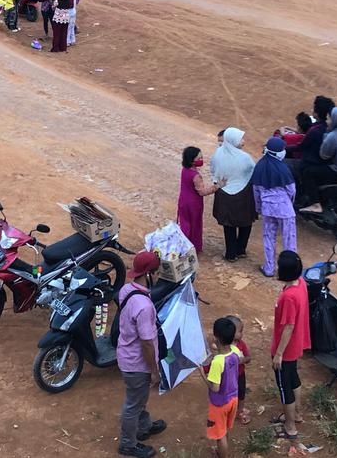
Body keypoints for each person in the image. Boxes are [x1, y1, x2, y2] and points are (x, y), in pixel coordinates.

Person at [116, 251, 167, 458]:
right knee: (133, 404)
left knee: (139, 398)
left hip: (126, 354)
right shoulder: (144, 306)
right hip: (137, 363)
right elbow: (146, 343)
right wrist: (154, 371)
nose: (157, 278)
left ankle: (144, 426)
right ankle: (128, 444)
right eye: (155, 273)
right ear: (148, 274)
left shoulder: (127, 289)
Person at [270, 250, 310, 443]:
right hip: (295, 347)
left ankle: (290, 426)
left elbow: (288, 326)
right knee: (293, 379)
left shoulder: (289, 297)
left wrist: (278, 353)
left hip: (285, 349)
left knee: (284, 386)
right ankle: (297, 414)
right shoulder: (300, 284)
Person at [252, 137, 297, 279]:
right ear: (279, 152)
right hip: (285, 210)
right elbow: (291, 190)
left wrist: (259, 208)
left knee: (268, 237)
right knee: (289, 240)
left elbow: (256, 191)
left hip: (268, 209)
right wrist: (289, 203)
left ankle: (269, 268)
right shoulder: (283, 168)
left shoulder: (259, 165)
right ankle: (290, 272)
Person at [211, 128, 256, 262]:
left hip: (224, 192)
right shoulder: (245, 157)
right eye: (241, 139)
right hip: (243, 194)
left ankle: (230, 253)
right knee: (246, 221)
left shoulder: (218, 153)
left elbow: (213, 170)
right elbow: (253, 172)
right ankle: (241, 250)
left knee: (228, 224)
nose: (244, 141)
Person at [204, 317, 241, 458]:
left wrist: (203, 375)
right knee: (225, 429)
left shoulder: (217, 362)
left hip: (219, 403)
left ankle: (222, 454)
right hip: (233, 399)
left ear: (216, 338)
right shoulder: (235, 351)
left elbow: (215, 388)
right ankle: (222, 452)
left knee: (220, 436)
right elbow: (222, 348)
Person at [178, 146, 218, 253]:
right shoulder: (195, 176)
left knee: (185, 224)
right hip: (194, 204)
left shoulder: (185, 170)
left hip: (183, 201)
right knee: (195, 225)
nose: (201, 159)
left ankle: (183, 246)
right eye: (199, 158)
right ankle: (194, 247)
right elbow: (202, 192)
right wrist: (216, 187)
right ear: (192, 160)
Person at [225, 316, 252, 425]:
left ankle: (240, 411)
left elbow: (249, 358)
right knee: (228, 395)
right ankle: (227, 412)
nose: (242, 334)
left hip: (240, 374)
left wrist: (243, 360)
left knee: (241, 393)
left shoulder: (241, 345)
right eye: (240, 331)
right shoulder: (223, 346)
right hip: (227, 377)